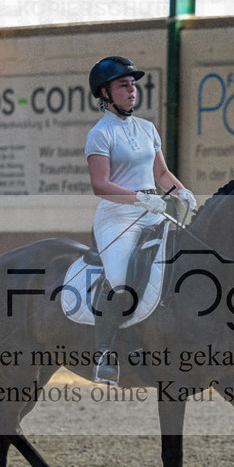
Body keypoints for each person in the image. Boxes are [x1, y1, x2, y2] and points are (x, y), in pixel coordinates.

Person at [85, 56, 196, 385]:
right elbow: (100, 185)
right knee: (120, 279)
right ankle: (105, 354)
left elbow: (160, 173)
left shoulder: (147, 128)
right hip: (117, 217)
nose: (132, 90)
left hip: (153, 211)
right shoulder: (100, 133)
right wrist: (137, 197)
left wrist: (180, 191)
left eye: (133, 84)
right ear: (105, 92)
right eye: (123, 85)